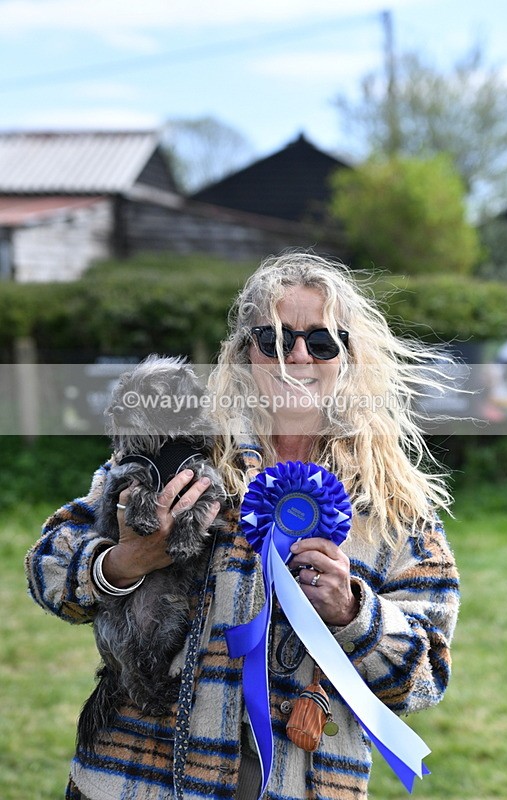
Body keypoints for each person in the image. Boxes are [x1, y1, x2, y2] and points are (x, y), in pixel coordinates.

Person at [25, 251, 460, 800]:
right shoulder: (177, 448)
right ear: (244, 352)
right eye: (275, 339)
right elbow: (48, 571)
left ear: (349, 356)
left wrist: (354, 612)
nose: (298, 356)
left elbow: (426, 675)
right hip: (136, 779)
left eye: (322, 341)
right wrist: (127, 561)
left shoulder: (394, 502)